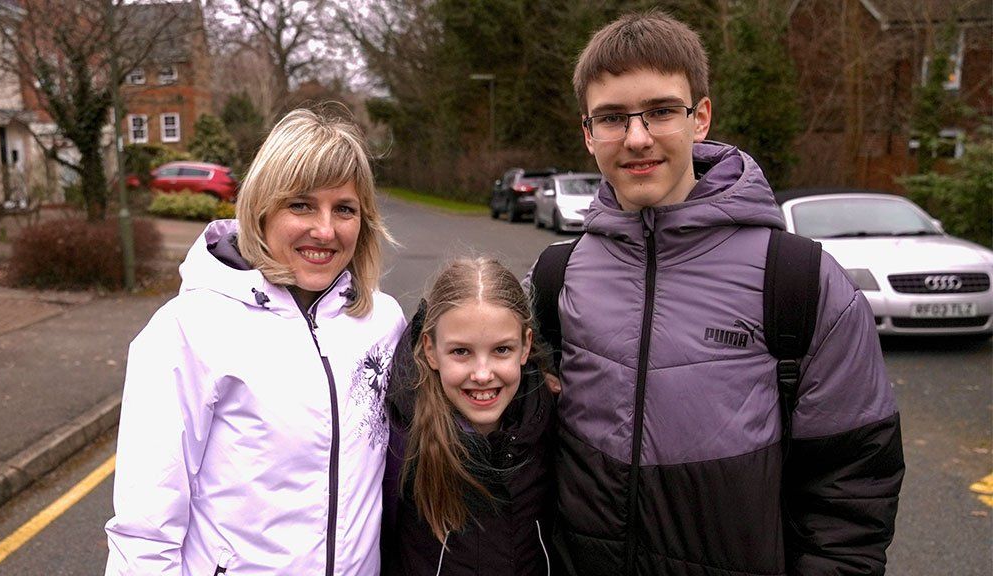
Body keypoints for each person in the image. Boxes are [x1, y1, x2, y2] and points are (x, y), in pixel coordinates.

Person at [527, 10, 905, 575]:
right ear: (587, 133)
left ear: (700, 117)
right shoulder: (557, 276)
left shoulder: (798, 279)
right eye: (611, 118)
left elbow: (852, 485)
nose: (637, 138)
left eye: (659, 112)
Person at [104, 107, 407, 575]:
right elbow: (145, 530)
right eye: (301, 205)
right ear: (262, 209)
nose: (325, 230)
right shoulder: (189, 328)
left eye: (344, 209)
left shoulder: (382, 321)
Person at [381, 258, 557, 575]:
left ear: (526, 346)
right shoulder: (402, 441)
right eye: (461, 351)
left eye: (502, 350)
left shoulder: (550, 425)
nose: (482, 374)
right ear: (431, 350)